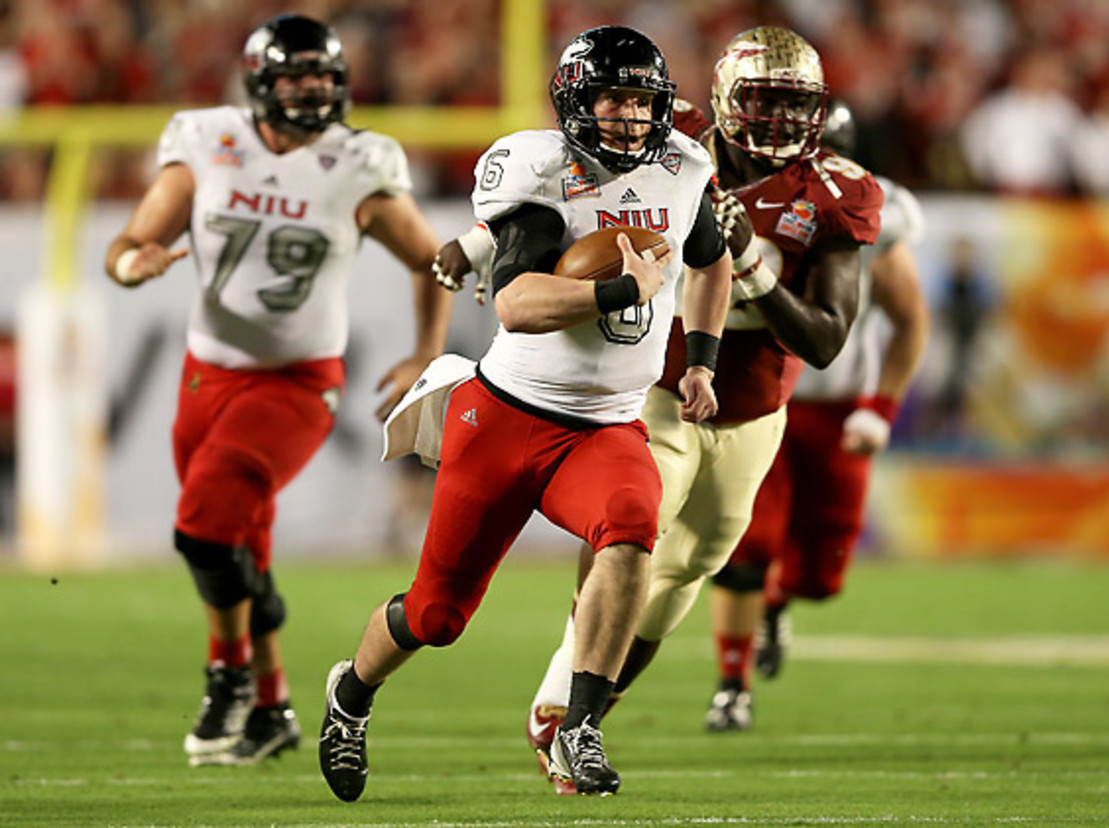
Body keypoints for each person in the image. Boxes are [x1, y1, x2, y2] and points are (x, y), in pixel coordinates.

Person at [317, 25, 731, 801]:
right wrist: (620, 290)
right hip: (506, 418)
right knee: (438, 614)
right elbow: (516, 304)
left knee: (635, 524)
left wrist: (703, 358)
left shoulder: (683, 168)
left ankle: (579, 725)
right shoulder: (544, 172)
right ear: (577, 101)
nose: (629, 116)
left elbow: (712, 264)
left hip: (607, 423)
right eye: (611, 98)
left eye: (642, 100)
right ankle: (352, 693)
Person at [500, 27, 884, 793]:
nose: (775, 120)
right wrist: (486, 253)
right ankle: (565, 710)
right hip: (660, 389)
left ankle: (582, 713)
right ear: (721, 100)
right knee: (634, 531)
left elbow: (828, 341)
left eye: (792, 104)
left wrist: (752, 269)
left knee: (691, 570)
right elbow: (553, 192)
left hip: (754, 410)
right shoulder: (663, 155)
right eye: (761, 101)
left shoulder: (836, 192)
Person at [103, 14, 452, 766]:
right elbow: (129, 244)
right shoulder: (206, 140)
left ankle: (226, 675)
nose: (312, 91)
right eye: (296, 78)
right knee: (236, 543)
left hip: (297, 380)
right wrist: (133, 265)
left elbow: (430, 260)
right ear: (261, 82)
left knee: (203, 525)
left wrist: (426, 350)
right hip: (205, 375)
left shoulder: (358, 161)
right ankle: (271, 709)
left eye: (324, 78)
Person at [705, 99, 930, 731]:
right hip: (760, 398)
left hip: (834, 411)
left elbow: (910, 319)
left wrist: (880, 408)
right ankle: (732, 686)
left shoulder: (859, 203)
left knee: (820, 575)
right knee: (745, 546)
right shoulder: (726, 189)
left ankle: (779, 603)